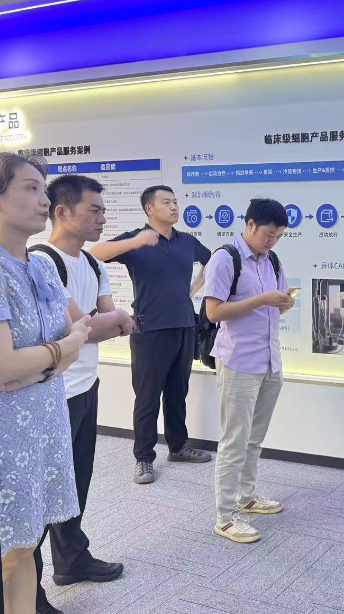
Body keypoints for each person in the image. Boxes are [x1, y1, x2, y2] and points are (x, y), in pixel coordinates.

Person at [30, 175, 134, 614]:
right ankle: (28, 593)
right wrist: (98, 325)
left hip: (86, 385)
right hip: (50, 392)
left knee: (75, 483)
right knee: (39, 496)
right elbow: (88, 327)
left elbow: (104, 325)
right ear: (62, 212)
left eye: (103, 210)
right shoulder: (42, 262)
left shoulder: (92, 263)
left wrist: (96, 325)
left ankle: (72, 560)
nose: (102, 218)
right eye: (94, 210)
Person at [0, 153, 91, 614]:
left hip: (43, 420)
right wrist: (62, 349)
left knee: (25, 544)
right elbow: (4, 367)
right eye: (30, 187)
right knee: (7, 551)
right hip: (7, 432)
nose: (44, 199)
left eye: (44, 187)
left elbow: (77, 338)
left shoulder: (40, 266)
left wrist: (37, 365)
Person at [89, 185, 212, 485]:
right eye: (166, 202)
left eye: (175, 202)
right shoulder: (136, 239)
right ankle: (144, 458)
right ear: (149, 209)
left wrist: (193, 290)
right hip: (149, 329)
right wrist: (135, 242)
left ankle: (178, 447)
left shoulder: (186, 241)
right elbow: (94, 254)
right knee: (147, 397)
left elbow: (212, 260)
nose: (174, 207)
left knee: (177, 392)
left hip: (184, 325)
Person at [203, 198, 295, 543]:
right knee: (235, 439)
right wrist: (262, 300)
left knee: (254, 437)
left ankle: (247, 496)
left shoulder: (273, 260)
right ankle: (225, 517)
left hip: (269, 360)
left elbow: (273, 310)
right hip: (239, 361)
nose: (273, 242)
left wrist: (284, 303)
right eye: (269, 234)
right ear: (250, 224)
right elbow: (214, 312)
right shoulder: (225, 258)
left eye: (279, 236)